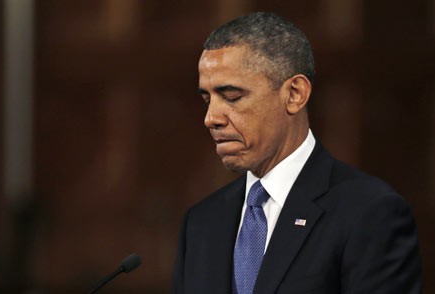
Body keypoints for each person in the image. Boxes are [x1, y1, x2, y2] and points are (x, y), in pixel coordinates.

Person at [172, 12, 422, 294]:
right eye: (207, 99)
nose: (211, 117)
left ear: (294, 94)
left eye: (231, 97)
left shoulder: (370, 212)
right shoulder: (202, 222)